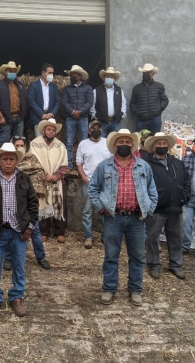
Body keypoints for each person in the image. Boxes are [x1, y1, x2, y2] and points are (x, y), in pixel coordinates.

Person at [88, 129, 157, 307]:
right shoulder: (104, 166)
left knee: (137, 256)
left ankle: (135, 290)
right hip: (113, 218)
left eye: (128, 142)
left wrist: (148, 210)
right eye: (121, 142)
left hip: (136, 219)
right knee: (111, 255)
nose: (124, 145)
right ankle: (109, 289)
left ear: (132, 145)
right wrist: (102, 208)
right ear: (115, 145)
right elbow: (93, 189)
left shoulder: (144, 166)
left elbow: (152, 191)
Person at [0, 143, 38, 318]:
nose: (8, 162)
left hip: (19, 232)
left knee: (19, 265)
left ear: (16, 161)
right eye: (4, 159)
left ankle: (16, 297)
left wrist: (30, 226)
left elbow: (33, 205)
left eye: (12, 159)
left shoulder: (24, 179)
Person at [143, 133, 191, 280]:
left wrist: (184, 197)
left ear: (168, 146)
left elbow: (187, 181)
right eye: (158, 143)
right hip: (156, 209)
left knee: (176, 237)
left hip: (176, 207)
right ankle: (154, 265)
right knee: (152, 237)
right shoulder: (147, 164)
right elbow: (143, 185)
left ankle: (176, 265)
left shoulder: (177, 163)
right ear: (153, 146)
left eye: (164, 143)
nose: (162, 146)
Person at [2, 136, 51, 270]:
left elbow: (39, 173)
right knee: (10, 232)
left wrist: (32, 191)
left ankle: (41, 257)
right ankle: (8, 258)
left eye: (22, 145)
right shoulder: (8, 161)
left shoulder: (32, 159)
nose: (19, 147)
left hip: (29, 203)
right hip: (12, 204)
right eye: (17, 145)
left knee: (34, 231)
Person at [30, 119, 68, 243]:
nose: (51, 132)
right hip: (41, 180)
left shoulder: (60, 145)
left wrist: (55, 176)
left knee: (58, 204)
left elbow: (64, 165)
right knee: (42, 205)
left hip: (56, 181)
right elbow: (33, 162)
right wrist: (44, 174)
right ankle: (44, 232)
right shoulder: (35, 144)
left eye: (53, 130)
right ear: (43, 130)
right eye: (49, 129)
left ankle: (59, 232)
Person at [76, 120, 112, 248]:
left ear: (101, 130)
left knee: (106, 210)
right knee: (87, 210)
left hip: (105, 182)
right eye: (93, 128)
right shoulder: (83, 144)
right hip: (89, 182)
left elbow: (112, 161)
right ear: (89, 130)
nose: (96, 129)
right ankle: (88, 237)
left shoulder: (107, 142)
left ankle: (105, 236)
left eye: (99, 127)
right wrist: (84, 178)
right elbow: (79, 163)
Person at [62, 65, 94, 169]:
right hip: (70, 118)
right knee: (69, 142)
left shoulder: (88, 88)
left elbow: (89, 102)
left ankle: (83, 165)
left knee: (84, 143)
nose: (71, 77)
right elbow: (64, 102)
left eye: (73, 75)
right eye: (71, 75)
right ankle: (69, 165)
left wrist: (80, 111)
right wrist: (72, 111)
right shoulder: (66, 89)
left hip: (83, 118)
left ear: (79, 76)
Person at [129, 64, 168, 134]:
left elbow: (165, 100)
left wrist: (158, 109)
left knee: (155, 140)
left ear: (152, 74)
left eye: (148, 73)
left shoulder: (159, 86)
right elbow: (132, 103)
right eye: (145, 73)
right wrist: (137, 112)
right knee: (140, 141)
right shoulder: (136, 88)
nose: (146, 74)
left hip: (155, 119)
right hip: (141, 120)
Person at [0, 61, 27, 137]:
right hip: (6, 118)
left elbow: (24, 101)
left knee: (18, 140)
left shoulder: (20, 85)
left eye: (14, 71)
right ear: (5, 72)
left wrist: (23, 114)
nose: (13, 73)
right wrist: (1, 117)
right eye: (10, 71)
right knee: (5, 141)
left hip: (19, 118)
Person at [91, 66, 126, 138]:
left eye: (112, 77)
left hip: (115, 121)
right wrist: (95, 116)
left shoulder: (119, 90)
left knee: (114, 141)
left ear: (114, 79)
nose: (109, 78)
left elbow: (123, 103)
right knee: (102, 142)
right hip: (102, 121)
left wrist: (122, 115)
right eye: (107, 76)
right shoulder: (97, 90)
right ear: (104, 78)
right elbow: (92, 104)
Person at [28, 63, 60, 137]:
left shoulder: (53, 86)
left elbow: (57, 102)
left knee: (50, 142)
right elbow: (31, 101)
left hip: (50, 118)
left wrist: (52, 113)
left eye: (52, 73)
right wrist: (41, 114)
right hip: (38, 118)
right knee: (39, 142)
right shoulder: (34, 85)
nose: (52, 75)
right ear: (43, 73)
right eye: (50, 73)